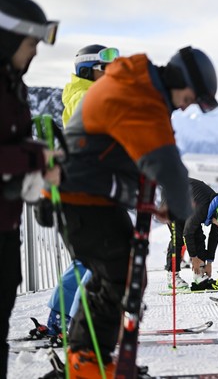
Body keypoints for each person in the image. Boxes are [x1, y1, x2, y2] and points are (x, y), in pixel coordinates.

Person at [50, 45, 218, 378]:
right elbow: (165, 159)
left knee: (122, 275)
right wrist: (180, 207)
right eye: (190, 98)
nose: (187, 107)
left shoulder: (144, 88)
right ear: (180, 81)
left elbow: (153, 148)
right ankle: (85, 360)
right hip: (81, 196)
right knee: (121, 275)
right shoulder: (140, 94)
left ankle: (87, 357)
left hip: (92, 195)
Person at [28, 44, 121, 341]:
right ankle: (69, 319)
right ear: (87, 70)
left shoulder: (85, 94)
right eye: (103, 70)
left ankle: (64, 315)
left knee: (89, 259)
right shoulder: (85, 96)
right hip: (87, 190)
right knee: (96, 258)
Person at [0, 0, 59, 377]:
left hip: (5, 225)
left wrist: (38, 153)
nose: (35, 52)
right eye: (31, 43)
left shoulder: (12, 84)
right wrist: (38, 158)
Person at [164, 177, 218, 290]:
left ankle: (199, 274)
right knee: (178, 238)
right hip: (172, 200)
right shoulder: (203, 208)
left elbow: (214, 237)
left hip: (188, 203)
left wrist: (209, 262)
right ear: (217, 217)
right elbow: (187, 233)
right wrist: (193, 257)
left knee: (198, 236)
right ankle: (172, 277)